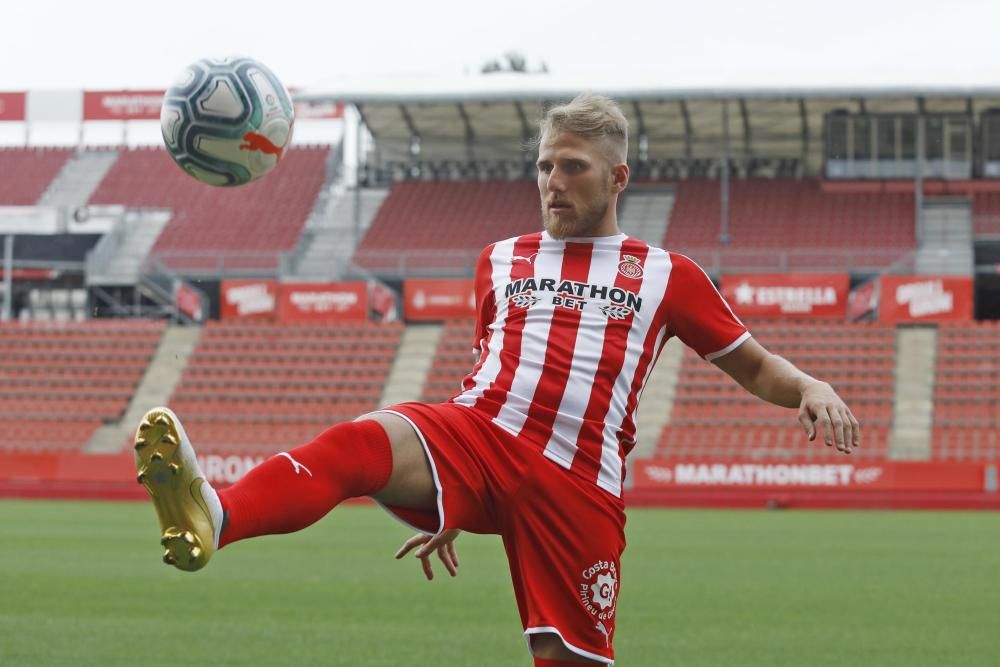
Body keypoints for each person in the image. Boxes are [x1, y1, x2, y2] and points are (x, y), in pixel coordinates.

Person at [134, 93, 860, 666]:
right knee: (357, 444)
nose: (552, 181)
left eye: (572, 166)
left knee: (566, 659)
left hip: (575, 481)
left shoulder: (667, 274)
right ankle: (217, 514)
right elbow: (492, 364)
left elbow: (755, 364)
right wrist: (449, 486)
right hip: (479, 433)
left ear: (617, 178)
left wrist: (809, 388)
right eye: (545, 165)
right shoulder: (501, 258)